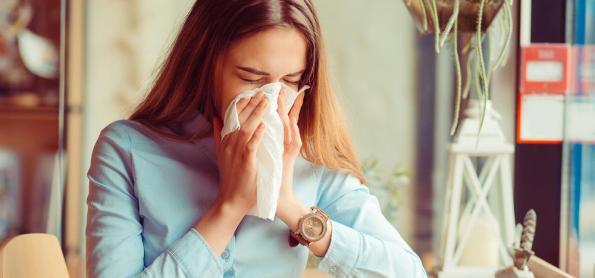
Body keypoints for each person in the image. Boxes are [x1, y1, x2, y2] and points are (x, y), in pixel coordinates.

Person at [86, 0, 427, 277]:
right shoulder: (127, 150)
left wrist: (287, 204)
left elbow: (408, 273)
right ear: (205, 66)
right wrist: (230, 206)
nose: (271, 99)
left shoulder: (312, 158)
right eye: (251, 78)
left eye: (291, 80)